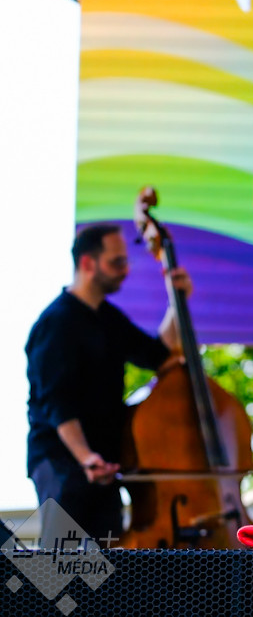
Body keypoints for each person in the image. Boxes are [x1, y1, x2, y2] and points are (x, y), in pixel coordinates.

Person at [25, 223, 189, 541]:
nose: (125, 270)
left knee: (107, 563)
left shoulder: (109, 319)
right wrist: (85, 456)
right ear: (88, 263)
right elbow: (57, 402)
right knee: (60, 564)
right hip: (63, 461)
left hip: (105, 463)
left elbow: (157, 355)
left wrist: (177, 301)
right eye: (116, 262)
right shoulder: (56, 323)